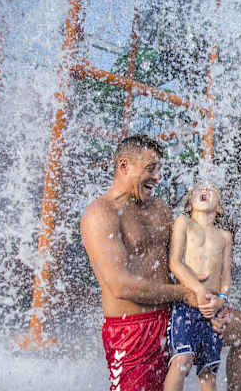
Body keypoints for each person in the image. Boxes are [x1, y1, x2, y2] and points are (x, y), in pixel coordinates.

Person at [80, 135, 198, 391]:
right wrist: (186, 294)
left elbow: (181, 260)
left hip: (173, 318)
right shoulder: (100, 213)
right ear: (124, 166)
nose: (158, 177)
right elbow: (121, 286)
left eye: (159, 169)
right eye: (151, 168)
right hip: (132, 331)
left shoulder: (159, 208)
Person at [164, 184, 232, 391]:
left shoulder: (225, 236)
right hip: (187, 306)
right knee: (181, 361)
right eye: (199, 189)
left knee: (208, 372)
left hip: (212, 309)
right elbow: (175, 262)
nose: (205, 190)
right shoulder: (184, 223)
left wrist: (221, 299)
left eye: (211, 190)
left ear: (219, 208)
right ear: (189, 205)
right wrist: (199, 289)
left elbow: (226, 277)